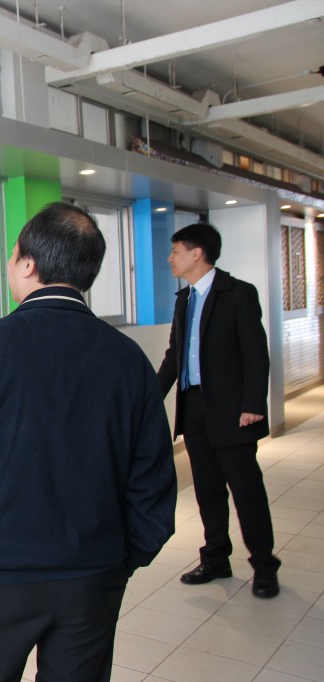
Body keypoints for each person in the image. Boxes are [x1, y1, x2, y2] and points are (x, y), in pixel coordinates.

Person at [0, 202, 176, 682]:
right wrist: (122, 559)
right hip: (94, 572)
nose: (10, 263)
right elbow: (153, 475)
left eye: (13, 254)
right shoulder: (127, 359)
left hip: (0, 572)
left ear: (29, 264)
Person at [157, 222, 281, 598]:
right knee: (208, 490)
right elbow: (174, 356)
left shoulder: (237, 293)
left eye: (176, 251)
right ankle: (215, 559)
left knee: (246, 491)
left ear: (197, 253)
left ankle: (264, 566)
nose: (170, 258)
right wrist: (149, 397)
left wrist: (252, 404)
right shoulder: (184, 299)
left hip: (232, 410)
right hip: (194, 407)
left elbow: (256, 354)